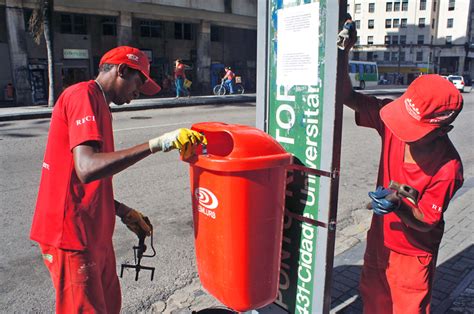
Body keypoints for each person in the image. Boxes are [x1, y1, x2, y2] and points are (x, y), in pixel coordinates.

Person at [30, 46, 206, 314]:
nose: (138, 94)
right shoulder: (82, 96)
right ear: (122, 70)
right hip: (72, 235)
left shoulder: (100, 104)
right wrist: (156, 144)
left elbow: (81, 183)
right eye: (139, 83)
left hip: (94, 232)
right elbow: (86, 168)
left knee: (109, 306)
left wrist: (123, 211)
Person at [340, 20, 464, 313]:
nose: (401, 132)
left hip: (413, 254)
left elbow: (426, 221)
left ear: (441, 131)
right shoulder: (392, 122)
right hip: (380, 240)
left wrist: (401, 205)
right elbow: (347, 97)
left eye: (413, 129)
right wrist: (344, 52)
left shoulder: (448, 167)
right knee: (372, 303)